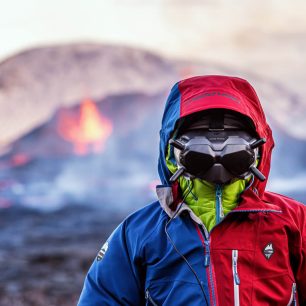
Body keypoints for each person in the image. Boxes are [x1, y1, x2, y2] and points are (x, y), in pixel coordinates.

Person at [78, 75, 306, 305]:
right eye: (200, 134)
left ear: (259, 146)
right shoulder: (138, 234)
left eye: (233, 134)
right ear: (171, 150)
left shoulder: (295, 223)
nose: (217, 148)